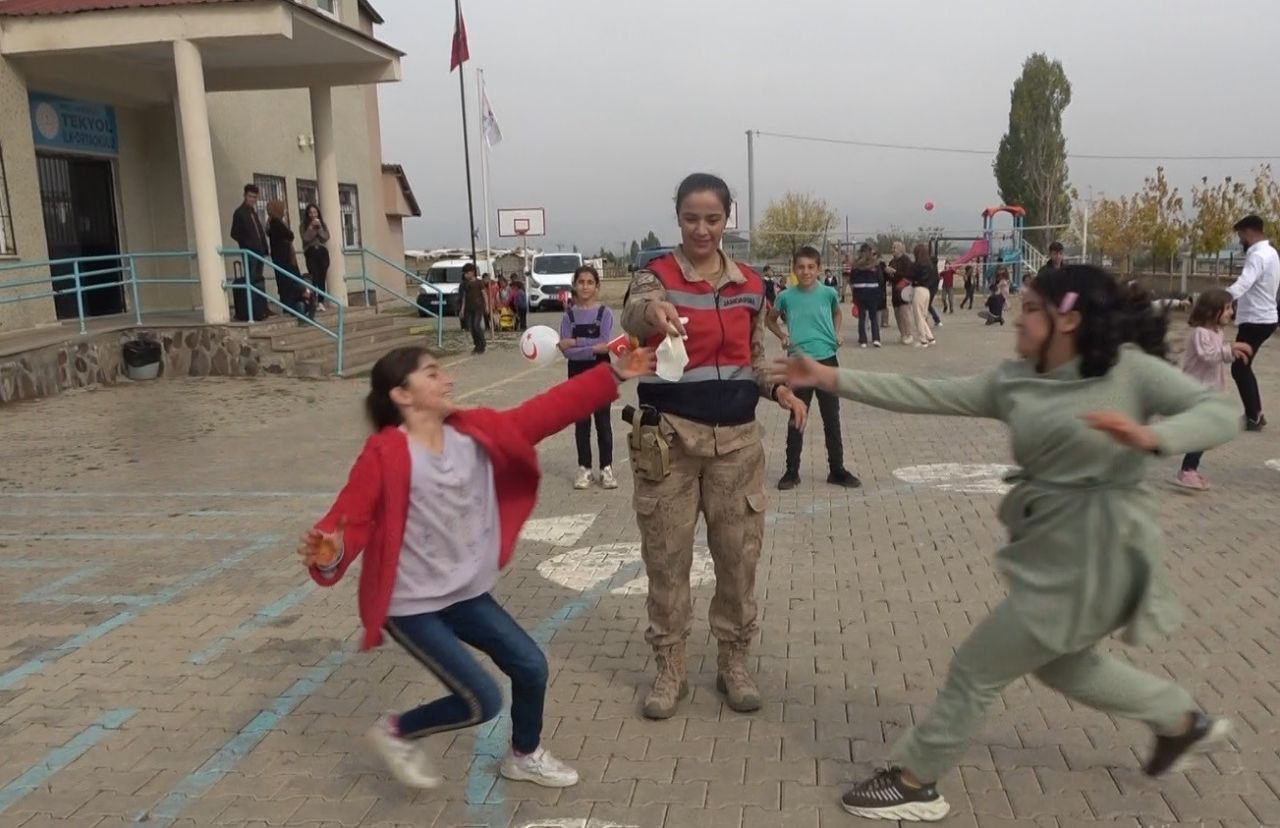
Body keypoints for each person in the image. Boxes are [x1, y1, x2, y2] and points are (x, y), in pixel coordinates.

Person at [773, 265, 1239, 822]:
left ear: (1069, 317)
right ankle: (1181, 720)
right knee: (1064, 666)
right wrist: (829, 378)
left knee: (977, 666)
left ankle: (917, 779)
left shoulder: (1129, 372)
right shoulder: (1016, 380)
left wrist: (1154, 436)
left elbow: (1219, 412)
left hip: (1100, 556)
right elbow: (924, 392)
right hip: (1052, 551)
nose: (1018, 317)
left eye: (1031, 307)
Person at [299, 344, 656, 793]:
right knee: (481, 700)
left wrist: (614, 374)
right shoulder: (385, 454)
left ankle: (524, 756)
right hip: (411, 605)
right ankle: (396, 733)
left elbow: (546, 411)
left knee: (530, 666)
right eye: (431, 374)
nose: (447, 381)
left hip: (465, 594)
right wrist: (330, 551)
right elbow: (347, 522)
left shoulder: (474, 433)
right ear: (402, 396)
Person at [622, 172, 808, 720]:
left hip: (737, 447)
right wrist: (654, 315)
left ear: (728, 218)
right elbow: (636, 315)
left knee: (737, 560)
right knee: (666, 560)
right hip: (670, 445)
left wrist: (778, 390)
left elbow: (752, 360)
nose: (701, 229)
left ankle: (734, 661)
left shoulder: (751, 282)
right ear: (676, 217)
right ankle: (669, 668)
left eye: (712, 218)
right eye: (690, 218)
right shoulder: (652, 277)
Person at [771, 246, 861, 491]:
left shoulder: (828, 293)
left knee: (831, 417)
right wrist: (782, 335)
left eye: (811, 267)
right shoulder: (786, 296)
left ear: (819, 269)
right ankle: (791, 471)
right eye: (801, 267)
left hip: (827, 360)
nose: (806, 271)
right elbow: (770, 318)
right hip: (799, 362)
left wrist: (836, 332)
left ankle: (837, 469)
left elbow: (837, 313)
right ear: (794, 269)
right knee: (797, 416)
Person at [1175, 288, 1254, 490]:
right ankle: (1187, 470)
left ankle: (1188, 467)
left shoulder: (1217, 332)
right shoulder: (1200, 333)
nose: (1231, 313)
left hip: (1210, 391)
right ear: (1212, 311)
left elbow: (1217, 355)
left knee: (1206, 432)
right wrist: (1232, 349)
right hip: (1197, 391)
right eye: (1227, 308)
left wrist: (1232, 352)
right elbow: (1208, 356)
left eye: (1231, 308)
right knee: (1205, 432)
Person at [558, 265, 619, 490]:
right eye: (581, 282)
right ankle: (584, 468)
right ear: (575, 285)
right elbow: (566, 352)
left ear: (597, 286)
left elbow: (605, 347)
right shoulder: (568, 317)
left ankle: (607, 469)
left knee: (603, 422)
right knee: (581, 424)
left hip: (601, 373)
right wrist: (591, 347)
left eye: (590, 282)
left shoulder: (606, 314)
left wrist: (575, 342)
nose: (585, 286)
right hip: (576, 374)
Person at [1226, 214, 1280, 431]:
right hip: (1264, 317)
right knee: (1242, 367)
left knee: (1240, 368)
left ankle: (1254, 416)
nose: (1240, 241)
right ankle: (1255, 414)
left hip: (1256, 320)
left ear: (1249, 232)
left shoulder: (1257, 256)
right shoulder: (1272, 253)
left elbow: (1243, 283)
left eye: (1240, 236)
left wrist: (1218, 299)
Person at [266, 200, 315, 325]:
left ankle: (295, 308)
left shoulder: (273, 223)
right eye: (283, 209)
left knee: (289, 286)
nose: (284, 211)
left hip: (283, 259)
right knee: (292, 286)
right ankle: (297, 310)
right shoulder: (276, 223)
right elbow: (290, 235)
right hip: (285, 260)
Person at [228, 184, 270, 321]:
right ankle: (253, 310)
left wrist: (265, 248)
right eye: (250, 196)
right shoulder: (240, 213)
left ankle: (262, 308)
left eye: (255, 197)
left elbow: (260, 232)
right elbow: (234, 233)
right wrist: (247, 243)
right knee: (251, 280)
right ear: (245, 195)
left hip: (259, 251)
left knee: (259, 279)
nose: (252, 199)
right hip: (249, 252)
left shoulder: (253, 212)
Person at [849, 243, 883, 348]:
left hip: (860, 293)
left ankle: (863, 340)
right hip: (873, 293)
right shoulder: (875, 264)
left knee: (862, 318)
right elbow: (880, 279)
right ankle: (876, 339)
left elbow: (852, 279)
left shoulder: (856, 265)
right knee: (873, 317)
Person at [301, 204, 331, 311]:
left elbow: (325, 237)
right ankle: (313, 301)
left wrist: (319, 228)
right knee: (314, 277)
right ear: (308, 214)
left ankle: (321, 302)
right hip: (311, 252)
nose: (313, 215)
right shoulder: (304, 225)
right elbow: (306, 238)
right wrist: (311, 228)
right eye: (311, 213)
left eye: (315, 212)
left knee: (322, 277)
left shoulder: (322, 224)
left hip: (322, 252)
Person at [909, 243, 937, 347]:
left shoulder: (917, 265)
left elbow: (911, 275)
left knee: (918, 316)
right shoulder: (930, 265)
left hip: (918, 289)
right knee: (923, 315)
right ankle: (930, 337)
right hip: (927, 291)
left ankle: (923, 340)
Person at [887, 242, 914, 345]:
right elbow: (890, 277)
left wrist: (895, 272)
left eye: (895, 247)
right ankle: (902, 334)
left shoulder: (906, 261)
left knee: (904, 313)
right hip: (895, 291)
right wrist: (888, 273)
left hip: (905, 290)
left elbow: (909, 275)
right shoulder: (892, 261)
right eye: (892, 247)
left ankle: (909, 334)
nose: (892, 249)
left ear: (901, 249)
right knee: (897, 313)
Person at [459, 264, 487, 354]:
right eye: (464, 273)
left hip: (478, 308)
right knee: (471, 328)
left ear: (472, 272)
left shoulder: (479, 282)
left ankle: (482, 343)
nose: (465, 275)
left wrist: (487, 306)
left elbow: (484, 294)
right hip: (468, 308)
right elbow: (464, 297)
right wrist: (462, 310)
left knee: (476, 326)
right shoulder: (464, 284)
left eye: (467, 273)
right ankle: (477, 345)